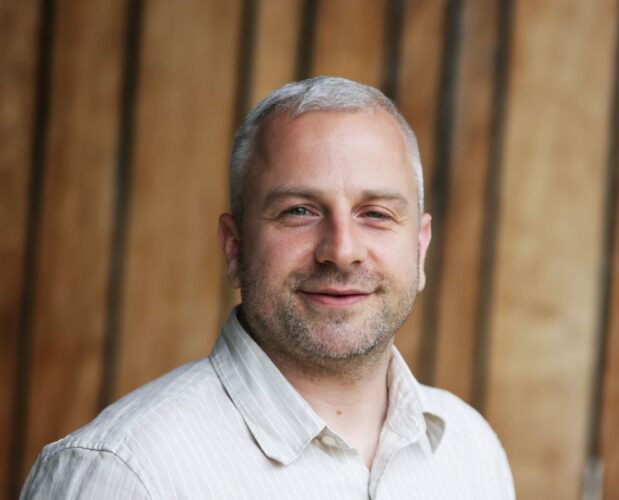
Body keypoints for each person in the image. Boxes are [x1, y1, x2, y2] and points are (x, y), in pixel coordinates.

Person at [22, 77, 515, 499]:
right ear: (235, 247)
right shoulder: (125, 474)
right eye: (299, 210)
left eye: (376, 214)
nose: (341, 251)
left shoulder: (471, 451)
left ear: (421, 249)